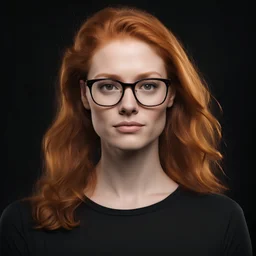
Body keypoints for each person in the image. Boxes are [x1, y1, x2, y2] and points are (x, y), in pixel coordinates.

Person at [0, 5, 253, 256]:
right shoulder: (25, 224)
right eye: (108, 86)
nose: (128, 105)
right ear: (85, 95)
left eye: (149, 86)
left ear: (171, 94)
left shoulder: (222, 220)